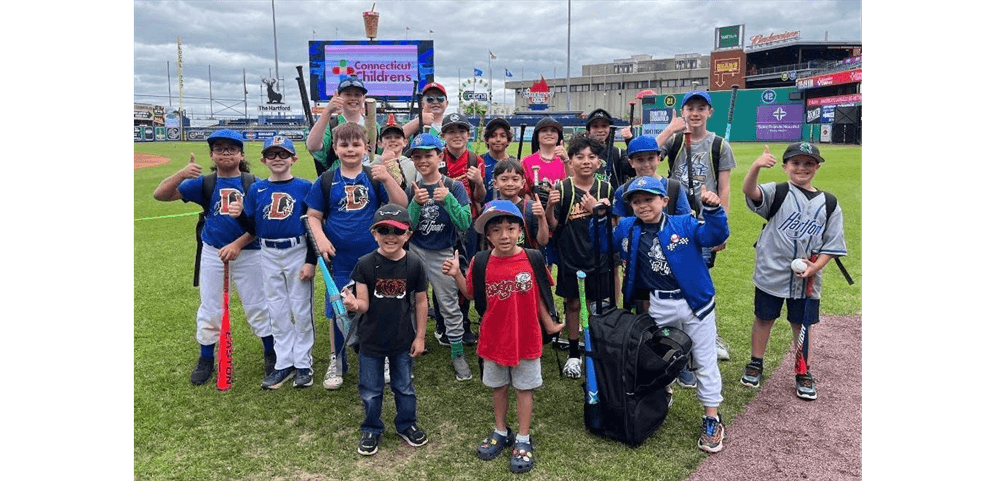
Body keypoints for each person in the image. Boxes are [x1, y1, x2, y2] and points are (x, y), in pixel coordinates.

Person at [598, 175, 730, 453]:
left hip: (696, 303)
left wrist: (714, 210)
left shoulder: (683, 223)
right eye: (636, 201)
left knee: (704, 361)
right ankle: (662, 394)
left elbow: (715, 236)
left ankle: (711, 417)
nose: (643, 205)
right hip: (658, 303)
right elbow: (603, 246)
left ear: (665, 201)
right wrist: (598, 216)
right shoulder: (627, 228)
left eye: (649, 199)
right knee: (658, 358)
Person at [441, 200, 564, 474]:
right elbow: (471, 294)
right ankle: (500, 430)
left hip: (526, 338)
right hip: (494, 338)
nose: (504, 235)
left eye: (511, 228)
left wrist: (550, 324)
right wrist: (457, 275)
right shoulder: (480, 261)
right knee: (498, 387)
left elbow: (539, 297)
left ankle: (522, 437)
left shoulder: (532, 258)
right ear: (488, 235)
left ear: (521, 229)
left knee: (524, 388)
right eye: (496, 230)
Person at [152, 129, 273, 385]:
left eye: (231, 149)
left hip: (250, 253)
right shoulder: (204, 183)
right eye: (219, 149)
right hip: (213, 252)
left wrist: (238, 245)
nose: (225, 153)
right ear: (212, 155)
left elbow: (261, 225)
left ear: (241, 155)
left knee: (258, 305)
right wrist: (183, 174)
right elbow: (160, 194)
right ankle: (206, 358)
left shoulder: (254, 184)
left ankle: (271, 354)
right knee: (210, 307)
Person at [304, 122, 408, 390]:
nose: (350, 149)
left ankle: (381, 355)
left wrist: (387, 178)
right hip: (339, 261)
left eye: (356, 144)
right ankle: (337, 360)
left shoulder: (374, 176)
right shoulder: (326, 180)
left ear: (366, 148)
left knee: (378, 306)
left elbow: (401, 205)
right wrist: (322, 238)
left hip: (373, 258)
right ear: (336, 149)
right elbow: (313, 217)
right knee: (338, 311)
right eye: (344, 145)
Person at [740, 142, 847, 401]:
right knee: (764, 319)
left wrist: (815, 267)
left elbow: (832, 245)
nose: (802, 168)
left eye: (809, 163)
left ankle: (802, 370)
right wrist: (755, 166)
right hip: (771, 274)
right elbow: (750, 191)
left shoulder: (829, 203)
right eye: (796, 163)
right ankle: (756, 362)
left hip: (807, 279)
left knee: (802, 324)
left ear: (817, 167)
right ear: (786, 166)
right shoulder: (777, 192)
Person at [656, 89, 738, 374]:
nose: (695, 113)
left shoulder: (719, 145)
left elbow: (725, 187)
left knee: (699, 282)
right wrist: (670, 129)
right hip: (675, 222)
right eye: (690, 107)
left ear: (709, 112)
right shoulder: (677, 140)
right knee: (674, 280)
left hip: (704, 225)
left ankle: (704, 337)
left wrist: (721, 228)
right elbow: (647, 157)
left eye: (701, 108)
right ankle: (679, 343)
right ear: (683, 111)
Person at [227, 136, 317, 389]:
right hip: (267, 252)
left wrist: (311, 261)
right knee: (276, 309)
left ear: (293, 159)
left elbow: (311, 226)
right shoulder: (257, 189)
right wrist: (240, 217)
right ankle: (284, 363)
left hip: (296, 248)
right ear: (264, 160)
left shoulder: (304, 186)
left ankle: (303, 363)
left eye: (284, 154)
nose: (278, 159)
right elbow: (254, 228)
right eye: (272, 154)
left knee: (300, 308)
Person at [341, 204, 429, 456]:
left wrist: (420, 336)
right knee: (371, 390)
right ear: (374, 233)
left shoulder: (414, 263)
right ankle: (371, 427)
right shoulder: (365, 264)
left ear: (408, 235)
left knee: (404, 388)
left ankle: (406, 424)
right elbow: (364, 304)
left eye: (397, 231)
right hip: (370, 341)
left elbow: (421, 301)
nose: (390, 236)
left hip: (403, 340)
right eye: (383, 230)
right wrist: (352, 303)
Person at [403, 133, 474, 381]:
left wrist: (449, 201)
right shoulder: (413, 187)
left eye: (428, 155)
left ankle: (457, 353)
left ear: (440, 156)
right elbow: (405, 229)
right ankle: (410, 349)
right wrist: (415, 205)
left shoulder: (453, 186)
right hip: (415, 252)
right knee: (409, 303)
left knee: (449, 305)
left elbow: (465, 222)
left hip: (442, 252)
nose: (423, 161)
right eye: (417, 156)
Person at [545, 132, 614, 379]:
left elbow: (613, 226)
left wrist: (597, 208)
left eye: (592, 157)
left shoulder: (606, 188)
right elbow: (553, 226)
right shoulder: (563, 188)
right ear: (570, 161)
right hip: (570, 258)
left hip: (598, 259)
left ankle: (595, 350)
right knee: (572, 305)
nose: (586, 161)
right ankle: (574, 353)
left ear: (598, 162)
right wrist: (550, 206)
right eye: (579, 156)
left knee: (598, 307)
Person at [610, 135, 691, 313]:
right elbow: (619, 225)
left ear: (659, 158)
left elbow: (686, 225)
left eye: (650, 158)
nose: (646, 164)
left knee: (674, 311)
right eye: (639, 159)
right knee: (642, 313)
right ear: (631, 162)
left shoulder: (674, 187)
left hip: (670, 261)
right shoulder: (623, 191)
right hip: (637, 262)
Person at [305, 76, 380, 176]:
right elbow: (312, 146)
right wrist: (328, 111)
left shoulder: (373, 125)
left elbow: (382, 153)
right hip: (337, 182)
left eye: (357, 94)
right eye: (347, 94)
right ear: (337, 96)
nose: (353, 98)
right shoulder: (332, 124)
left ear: (364, 98)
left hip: (368, 182)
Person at [490, 159, 548, 250]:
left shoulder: (531, 207)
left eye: (515, 179)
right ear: (495, 183)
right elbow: (487, 243)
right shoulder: (490, 209)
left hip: (525, 260)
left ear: (522, 183)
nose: (510, 184)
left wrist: (542, 217)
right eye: (504, 179)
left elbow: (543, 241)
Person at [584, 108, 634, 190]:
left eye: (604, 126)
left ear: (610, 129)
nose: (600, 130)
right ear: (589, 129)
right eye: (595, 126)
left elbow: (632, 170)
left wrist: (630, 141)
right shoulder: (581, 153)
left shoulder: (618, 153)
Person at [368, 114, 418, 189]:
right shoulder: (372, 165)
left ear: (405, 142)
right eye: (387, 137)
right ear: (380, 143)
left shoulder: (413, 166)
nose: (393, 140)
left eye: (397, 137)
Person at [478, 118, 517, 207]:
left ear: (508, 140)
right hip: (486, 213)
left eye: (503, 136)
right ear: (486, 139)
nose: (498, 139)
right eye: (493, 136)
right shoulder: (479, 162)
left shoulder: (515, 163)